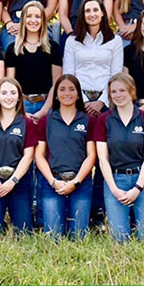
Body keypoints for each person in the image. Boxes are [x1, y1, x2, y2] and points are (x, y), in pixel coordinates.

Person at [93, 73, 144, 242]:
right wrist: (114, 188)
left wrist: (138, 188)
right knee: (119, 238)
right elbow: (103, 159)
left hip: (143, 180)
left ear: (132, 91)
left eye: (122, 90)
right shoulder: (104, 120)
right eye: (113, 92)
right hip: (115, 179)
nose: (118, 95)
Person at [35, 74, 97, 239]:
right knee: (53, 237)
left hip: (80, 183)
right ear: (55, 94)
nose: (67, 93)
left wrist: (76, 182)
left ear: (78, 94)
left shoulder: (89, 121)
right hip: (52, 182)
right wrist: (53, 181)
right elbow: (39, 156)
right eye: (62, 89)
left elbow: (91, 155)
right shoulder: (46, 121)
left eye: (71, 89)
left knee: (78, 237)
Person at [0, 77, 37, 234]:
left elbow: (28, 155)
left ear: (19, 97)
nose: (8, 97)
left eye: (12, 92)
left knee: (24, 232)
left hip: (18, 180)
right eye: (3, 93)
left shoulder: (26, 123)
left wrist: (13, 181)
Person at [63, 0, 124, 117]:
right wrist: (83, 102)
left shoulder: (115, 41)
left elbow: (116, 75)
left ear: (102, 13)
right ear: (83, 15)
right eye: (87, 11)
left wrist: (102, 101)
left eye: (95, 10)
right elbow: (69, 75)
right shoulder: (72, 41)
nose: (92, 14)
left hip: (106, 102)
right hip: (79, 101)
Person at [5, 1, 62, 119]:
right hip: (21, 105)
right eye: (29, 16)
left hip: (47, 104)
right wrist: (21, 110)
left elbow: (56, 83)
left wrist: (44, 111)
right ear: (23, 20)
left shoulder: (53, 48)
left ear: (43, 20)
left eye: (38, 17)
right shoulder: (13, 49)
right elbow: (11, 84)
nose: (33, 20)